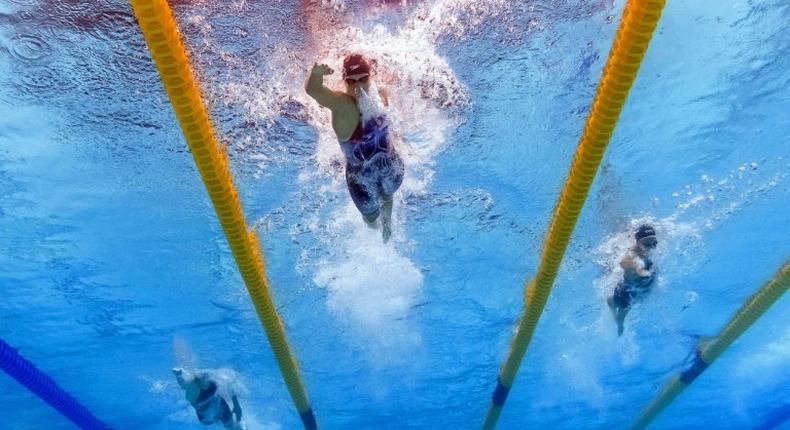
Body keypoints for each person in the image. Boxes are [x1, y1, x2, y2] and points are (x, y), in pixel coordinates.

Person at [305, 53, 405, 242]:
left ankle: (388, 223)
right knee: (371, 218)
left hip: (391, 167)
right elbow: (314, 91)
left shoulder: (380, 95)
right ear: (344, 82)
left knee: (388, 193)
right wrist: (316, 74)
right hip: (361, 183)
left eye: (363, 79)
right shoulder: (343, 106)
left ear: (371, 77)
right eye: (351, 81)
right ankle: (377, 229)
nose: (358, 86)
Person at [607, 224, 658, 336]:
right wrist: (638, 269)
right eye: (647, 244)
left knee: (640, 298)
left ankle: (611, 301)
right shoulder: (632, 254)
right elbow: (623, 262)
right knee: (622, 315)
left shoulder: (646, 250)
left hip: (637, 286)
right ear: (638, 242)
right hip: (627, 291)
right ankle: (619, 324)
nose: (651, 247)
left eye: (654, 243)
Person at [173, 367, 243, 429]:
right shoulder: (210, 380)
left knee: (193, 390)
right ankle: (182, 375)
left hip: (206, 406)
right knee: (230, 425)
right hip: (209, 403)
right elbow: (229, 381)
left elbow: (229, 380)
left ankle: (181, 375)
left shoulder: (209, 380)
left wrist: (236, 404)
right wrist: (236, 404)